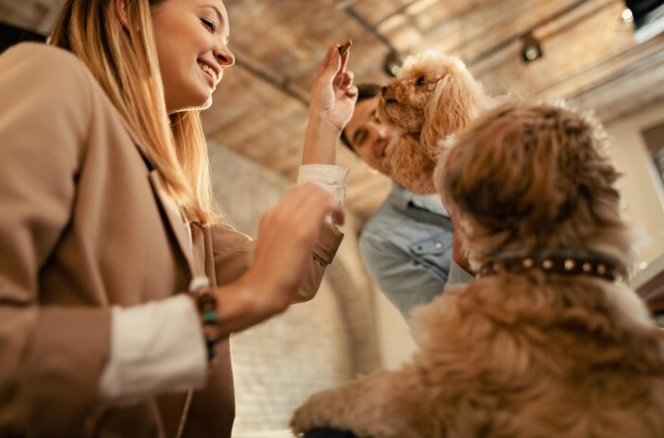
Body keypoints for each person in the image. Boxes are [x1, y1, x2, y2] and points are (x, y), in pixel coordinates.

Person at [0, 0, 358, 436]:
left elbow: (294, 272)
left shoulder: (184, 222)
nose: (228, 55)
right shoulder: (49, 78)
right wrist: (240, 302)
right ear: (127, 11)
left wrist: (324, 123)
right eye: (209, 22)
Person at [339, 83, 473, 321]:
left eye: (379, 117)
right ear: (366, 162)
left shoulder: (477, 157)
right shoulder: (379, 240)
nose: (378, 134)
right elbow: (440, 329)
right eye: (362, 137)